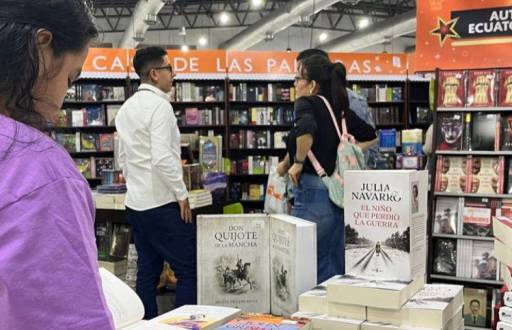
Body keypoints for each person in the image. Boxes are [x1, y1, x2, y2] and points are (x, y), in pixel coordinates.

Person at [0, 1, 114, 329]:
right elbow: (72, 320)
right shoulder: (38, 170)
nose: (63, 98)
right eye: (70, 78)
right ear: (42, 46)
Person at [277, 54, 377, 283]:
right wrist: (350, 149)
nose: (294, 84)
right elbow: (371, 136)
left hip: (313, 193)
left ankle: (308, 315)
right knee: (334, 263)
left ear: (312, 84)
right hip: (339, 196)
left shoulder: (306, 103)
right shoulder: (339, 111)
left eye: (297, 78)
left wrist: (299, 162)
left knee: (305, 264)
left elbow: (307, 131)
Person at [115, 46, 196, 318]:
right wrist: (182, 195)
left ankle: (146, 324)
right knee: (189, 270)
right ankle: (183, 325)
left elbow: (122, 160)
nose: (173, 74)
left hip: (136, 204)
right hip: (161, 203)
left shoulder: (126, 109)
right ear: (154, 73)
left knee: (147, 272)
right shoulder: (160, 107)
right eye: (169, 68)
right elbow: (163, 158)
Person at [294, 49, 379, 166]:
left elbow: (368, 138)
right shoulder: (320, 101)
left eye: (300, 76)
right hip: (343, 174)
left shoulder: (346, 99)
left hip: (337, 174)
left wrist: (344, 157)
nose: (295, 82)